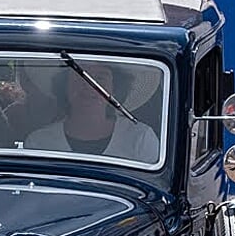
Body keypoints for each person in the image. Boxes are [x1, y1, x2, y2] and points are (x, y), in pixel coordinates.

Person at [24, 60, 161, 163]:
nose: (89, 86)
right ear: (64, 85)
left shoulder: (140, 138)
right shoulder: (39, 142)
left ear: (115, 87)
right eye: (79, 75)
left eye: (100, 78)